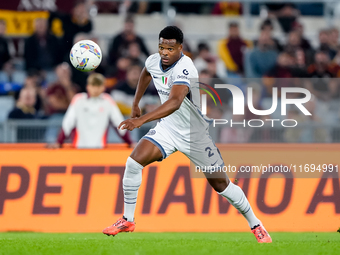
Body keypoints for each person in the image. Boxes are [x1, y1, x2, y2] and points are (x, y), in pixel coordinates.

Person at [102, 26, 272, 243]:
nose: (164, 52)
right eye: (162, 47)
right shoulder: (154, 60)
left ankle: (256, 224)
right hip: (168, 128)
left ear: (180, 48)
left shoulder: (186, 67)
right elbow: (146, 72)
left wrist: (141, 120)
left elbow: (174, 101)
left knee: (222, 185)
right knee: (133, 163)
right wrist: (136, 104)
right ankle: (128, 219)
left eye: (170, 48)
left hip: (195, 134)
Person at [48, 73, 132, 149]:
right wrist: (59, 142)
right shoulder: (78, 99)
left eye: (98, 86)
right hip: (78, 149)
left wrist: (130, 142)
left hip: (99, 149)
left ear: (103, 87)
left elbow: (119, 124)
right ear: (87, 87)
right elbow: (68, 123)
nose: (96, 89)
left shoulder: (108, 101)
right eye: (93, 86)